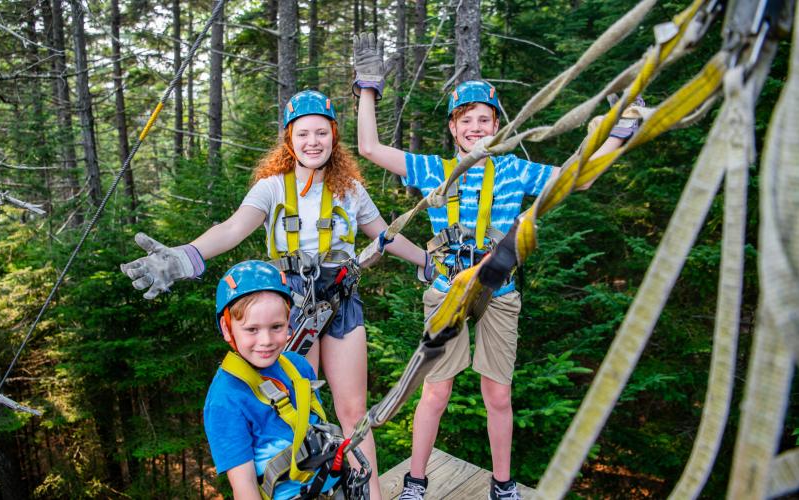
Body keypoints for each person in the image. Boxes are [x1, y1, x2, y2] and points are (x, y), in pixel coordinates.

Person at [352, 34, 637, 500]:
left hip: (498, 294)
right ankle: (416, 482)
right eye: (467, 121)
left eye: (484, 120)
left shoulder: (515, 171)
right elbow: (369, 148)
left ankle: (501, 485)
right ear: (453, 128)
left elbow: (577, 179)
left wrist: (618, 134)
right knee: (436, 392)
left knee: (498, 395)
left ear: (499, 126)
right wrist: (368, 88)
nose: (476, 128)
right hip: (446, 289)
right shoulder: (435, 169)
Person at [121, 89, 429, 498]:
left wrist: (428, 260)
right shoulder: (271, 189)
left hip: (340, 300)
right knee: (299, 409)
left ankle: (369, 494)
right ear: (289, 139)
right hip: (292, 305)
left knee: (354, 413)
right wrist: (186, 257)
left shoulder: (350, 190)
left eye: (321, 132)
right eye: (303, 134)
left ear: (334, 136)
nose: (313, 142)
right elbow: (232, 229)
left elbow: (385, 236)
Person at [204, 260, 366, 499]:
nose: (266, 340)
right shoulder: (225, 400)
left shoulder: (298, 366)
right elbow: (244, 488)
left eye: (277, 326)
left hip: (335, 486)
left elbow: (313, 425)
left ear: (290, 322)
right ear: (227, 329)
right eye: (252, 329)